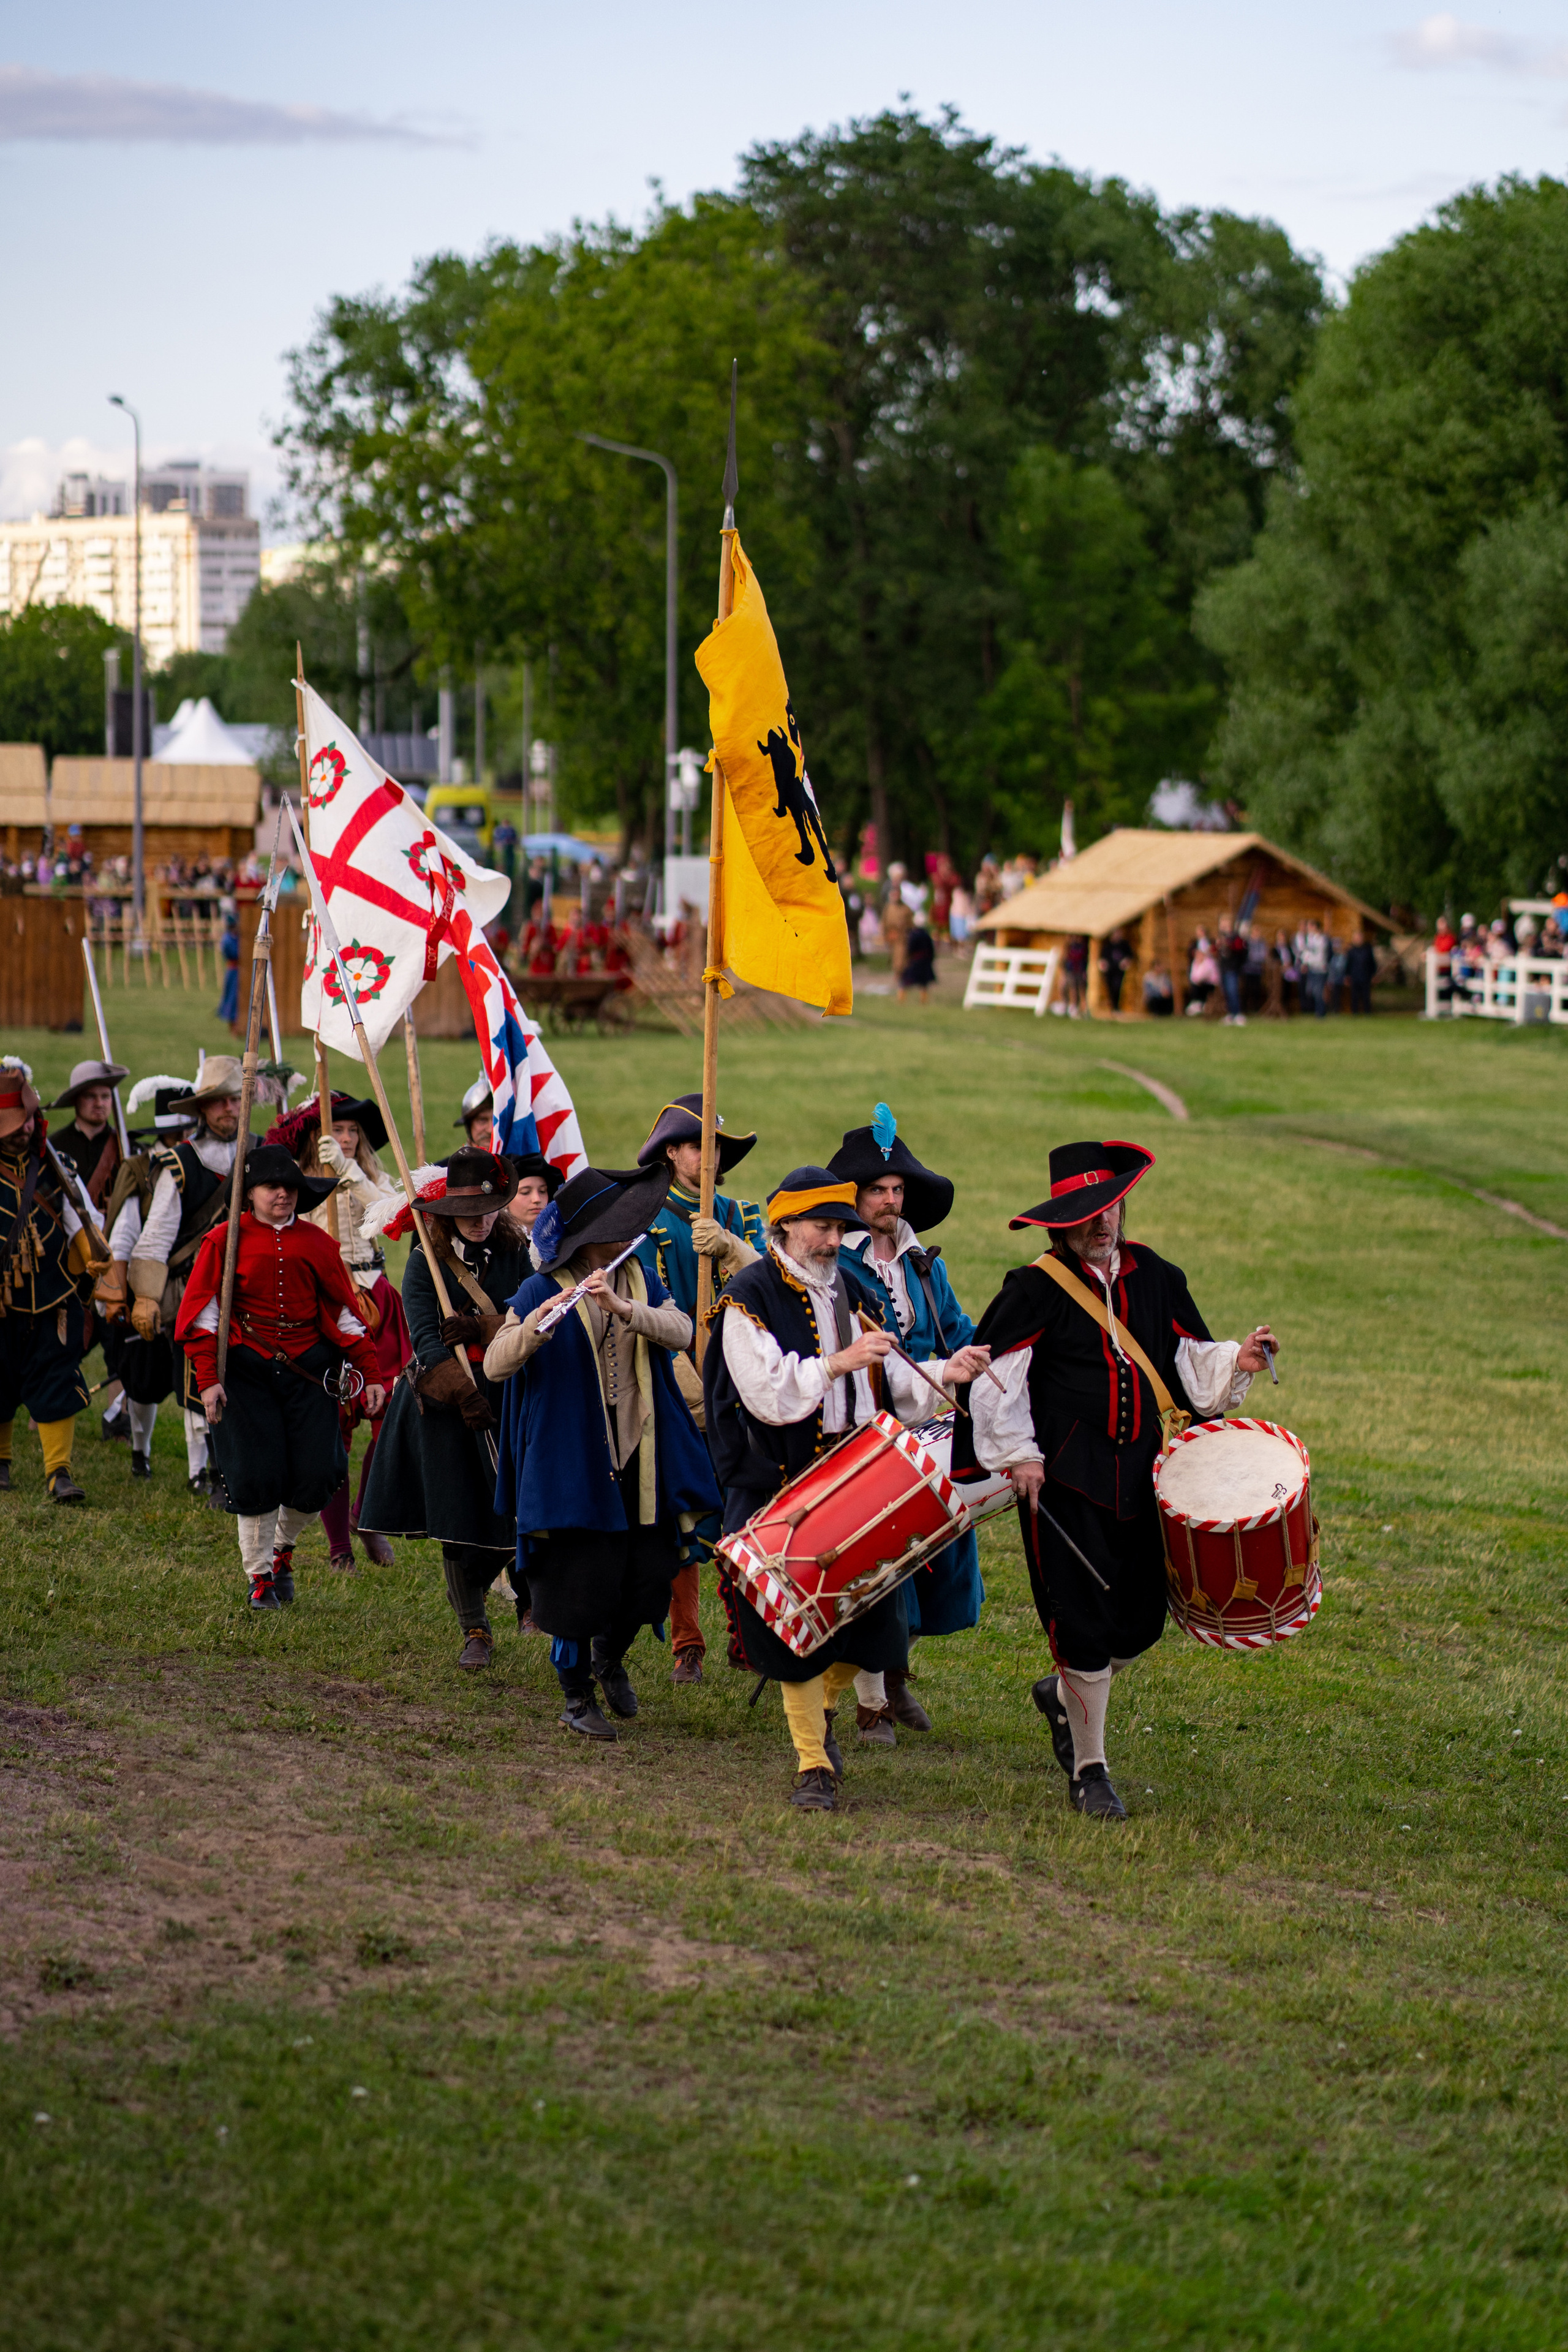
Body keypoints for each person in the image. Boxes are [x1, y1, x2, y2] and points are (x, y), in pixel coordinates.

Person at [956, 1140, 1278, 1821]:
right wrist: (1021, 1454)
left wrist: (1237, 1359)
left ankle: (1063, 1695)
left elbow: (1190, 1362)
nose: (1101, 1225)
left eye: (1109, 1209)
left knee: (1137, 1625)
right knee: (1081, 1624)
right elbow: (994, 1382)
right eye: (1085, 1215)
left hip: (1142, 1479)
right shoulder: (1032, 1289)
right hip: (1064, 1484)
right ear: (1057, 1224)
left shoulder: (1157, 1276)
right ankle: (1090, 1768)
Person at [701, 1169, 948, 1812]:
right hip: (776, 1486)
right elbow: (767, 1394)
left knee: (874, 1632)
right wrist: (839, 1362)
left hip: (845, 1483)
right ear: (784, 1225)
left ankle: (830, 1713)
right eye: (821, 1226)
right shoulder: (746, 1298)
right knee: (792, 1639)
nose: (832, 1239)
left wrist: (952, 1371)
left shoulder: (845, 1288)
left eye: (840, 1228)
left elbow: (885, 1380)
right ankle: (813, 1765)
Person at [485, 1161, 718, 1741]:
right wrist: (534, 1327)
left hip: (642, 1449)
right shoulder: (540, 1288)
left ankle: (609, 1659)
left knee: (650, 1572)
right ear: (588, 1234)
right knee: (577, 1581)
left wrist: (623, 1309)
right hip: (571, 1459)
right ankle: (575, 1696)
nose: (632, 1231)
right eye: (620, 1224)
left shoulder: (637, 1276)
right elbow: (496, 1364)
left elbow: (681, 1330)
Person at [829, 1107, 993, 1741]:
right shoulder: (837, 1267)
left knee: (942, 1557)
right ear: (855, 1198)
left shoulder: (925, 1263)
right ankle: (873, 1692)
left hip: (933, 1434)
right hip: (865, 1433)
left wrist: (985, 1351)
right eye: (877, 1190)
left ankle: (896, 1670)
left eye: (897, 1190)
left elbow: (955, 1328)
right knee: (882, 1564)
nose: (890, 1200)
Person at [176, 1145, 385, 1611]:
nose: (284, 1196)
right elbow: (204, 1318)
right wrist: (209, 1380)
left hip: (308, 1374)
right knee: (254, 1474)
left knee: (319, 1475)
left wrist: (370, 1372)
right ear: (249, 1193)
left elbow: (345, 1315)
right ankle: (260, 1577)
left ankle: (280, 1548)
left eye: (290, 1188)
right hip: (246, 1375)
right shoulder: (222, 1243)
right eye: (273, 1188)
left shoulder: (318, 1244)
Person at [359, 1149, 536, 1669]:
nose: (480, 1222)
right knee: (459, 1517)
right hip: (447, 1401)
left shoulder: (514, 1249)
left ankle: (526, 1600)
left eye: (487, 1211)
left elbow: (528, 1315)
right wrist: (464, 1392)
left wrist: (483, 1327)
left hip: (510, 1390)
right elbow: (425, 1338)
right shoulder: (425, 1261)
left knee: (515, 1507)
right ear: (447, 1212)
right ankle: (474, 1628)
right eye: (468, 1214)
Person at [633, 1092, 766, 1682]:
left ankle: (746, 1632)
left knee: (745, 1512)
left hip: (746, 1387)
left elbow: (775, 1285)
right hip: (676, 1384)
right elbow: (649, 1307)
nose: (707, 1157)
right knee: (680, 1515)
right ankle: (688, 1641)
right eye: (696, 1146)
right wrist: (692, 1388)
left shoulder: (743, 1215)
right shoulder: (646, 1219)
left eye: (715, 1146)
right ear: (671, 1154)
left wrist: (734, 1249)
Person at [268, 1093, 412, 1571]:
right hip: (329, 1305)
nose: (346, 1138)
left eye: (353, 1132)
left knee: (392, 1416)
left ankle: (366, 1517)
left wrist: (351, 1175)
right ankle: (338, 1549)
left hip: (379, 1298)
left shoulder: (376, 1178)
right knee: (336, 1425)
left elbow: (394, 1217)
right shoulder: (297, 1186)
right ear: (315, 1137)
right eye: (338, 1131)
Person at [127, 1055, 257, 1500]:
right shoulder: (178, 1163)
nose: (229, 1110)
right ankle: (210, 1472)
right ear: (202, 1109)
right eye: (219, 1102)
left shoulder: (258, 1155)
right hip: (195, 1288)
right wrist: (146, 1296)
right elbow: (156, 1235)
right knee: (201, 1378)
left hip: (250, 1287)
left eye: (235, 1100)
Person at [0, 1058, 107, 1504]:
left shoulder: (56, 1165)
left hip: (54, 1292)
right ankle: (1, 1463)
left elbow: (80, 1215)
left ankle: (57, 1473)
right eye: (12, 1123)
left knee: (57, 1377)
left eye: (26, 1120)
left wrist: (91, 1249)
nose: (22, 1129)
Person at [96, 1077, 200, 1472]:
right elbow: (122, 1237)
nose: (186, 1135)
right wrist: (121, 1293)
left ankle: (199, 1471)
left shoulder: (204, 1164)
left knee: (199, 1374)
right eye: (180, 1130)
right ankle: (141, 1451)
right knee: (142, 1379)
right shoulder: (140, 1169)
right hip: (147, 1286)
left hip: (193, 1284)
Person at [48, 1060, 127, 1210]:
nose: (99, 1104)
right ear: (75, 1100)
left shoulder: (125, 1145)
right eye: (91, 1097)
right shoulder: (56, 1146)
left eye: (105, 1096)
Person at [898, 921, 937, 1003]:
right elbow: (931, 950)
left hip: (915, 961)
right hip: (925, 962)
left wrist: (907, 958)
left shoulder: (913, 935)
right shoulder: (927, 935)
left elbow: (910, 948)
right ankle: (923, 1001)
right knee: (923, 983)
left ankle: (901, 1000)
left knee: (906, 980)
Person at [453, 1077, 494, 1153]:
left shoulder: (520, 1164)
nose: (490, 1130)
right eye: (482, 1120)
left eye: (496, 1121)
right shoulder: (448, 1165)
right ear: (469, 1125)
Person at [217, 903, 240, 1032]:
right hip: (233, 972)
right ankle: (233, 1026)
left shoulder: (236, 937)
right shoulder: (228, 939)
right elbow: (235, 953)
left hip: (238, 971)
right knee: (232, 998)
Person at [1098, 931, 1133, 1014]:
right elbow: (1102, 958)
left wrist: (1126, 962)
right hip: (1110, 971)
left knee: (1117, 988)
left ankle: (1117, 1007)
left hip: (1119, 971)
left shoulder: (1124, 945)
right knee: (1110, 988)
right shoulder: (1108, 946)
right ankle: (1113, 1007)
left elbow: (1130, 956)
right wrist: (1103, 964)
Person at [1346, 930, 1378, 1016]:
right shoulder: (1351, 951)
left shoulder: (1368, 949)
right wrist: (1347, 976)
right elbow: (1348, 964)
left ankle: (1367, 1012)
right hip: (1355, 976)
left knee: (1366, 996)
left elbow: (1372, 963)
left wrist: (1374, 975)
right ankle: (1355, 1013)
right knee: (1354, 996)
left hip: (1366, 976)